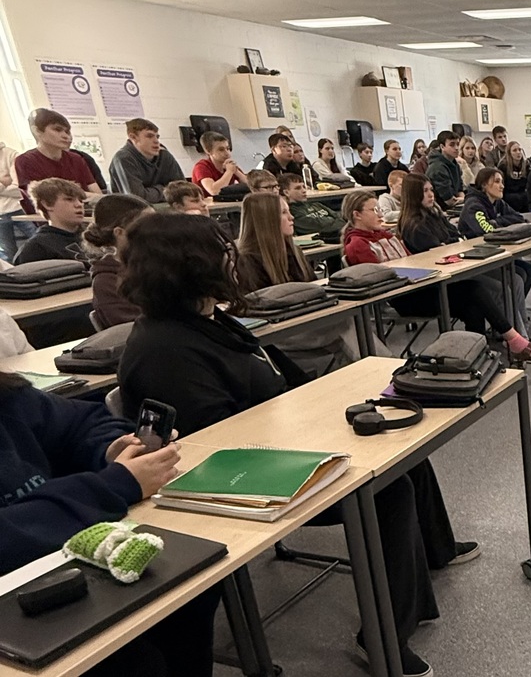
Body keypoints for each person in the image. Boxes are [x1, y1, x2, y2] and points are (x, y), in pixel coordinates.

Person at [117, 213, 475, 677]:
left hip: (278, 443)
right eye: (222, 254)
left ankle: (434, 553)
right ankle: (384, 635)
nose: (232, 262)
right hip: (237, 483)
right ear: (191, 266)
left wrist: (327, 406)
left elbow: (281, 376)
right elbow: (220, 449)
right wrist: (315, 430)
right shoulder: (166, 349)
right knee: (387, 489)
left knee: (404, 451)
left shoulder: (207, 321)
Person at [0, 369, 223, 677]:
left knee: (188, 591)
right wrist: (115, 485)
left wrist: (110, 449)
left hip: (56, 558)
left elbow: (82, 421)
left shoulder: (10, 398)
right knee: (135, 666)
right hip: (17, 590)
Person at [345, 186, 531, 363]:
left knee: (473, 302)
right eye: (374, 210)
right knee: (473, 289)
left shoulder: (388, 236)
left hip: (418, 285)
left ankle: (477, 355)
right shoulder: (357, 244)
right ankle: (514, 342)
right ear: (357, 215)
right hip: (401, 298)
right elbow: (377, 280)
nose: (380, 214)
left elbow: (410, 262)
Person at [236, 192, 372, 375]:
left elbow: (312, 290)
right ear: (266, 220)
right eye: (284, 213)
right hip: (281, 334)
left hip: (306, 320)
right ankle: (385, 374)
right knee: (348, 323)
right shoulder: (245, 261)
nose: (292, 217)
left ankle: (373, 373)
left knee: (349, 319)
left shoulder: (293, 251)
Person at [458, 168, 531, 336]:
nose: (502, 186)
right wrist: (500, 225)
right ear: (484, 185)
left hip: (495, 255)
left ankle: (510, 322)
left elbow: (519, 219)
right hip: (476, 261)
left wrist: (497, 221)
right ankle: (515, 332)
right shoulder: (474, 205)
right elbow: (485, 230)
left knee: (527, 272)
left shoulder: (497, 203)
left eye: (502, 181)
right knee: (515, 280)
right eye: (497, 181)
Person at [83, 193, 151, 329]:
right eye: (147, 226)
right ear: (119, 233)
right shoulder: (107, 281)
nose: (157, 230)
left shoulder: (161, 263)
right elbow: (132, 330)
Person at [14, 108, 101, 212]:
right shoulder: (25, 161)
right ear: (37, 131)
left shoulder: (76, 158)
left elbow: (97, 194)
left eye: (67, 131)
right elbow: (46, 199)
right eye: (57, 129)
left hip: (84, 216)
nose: (65, 136)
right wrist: (85, 196)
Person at [108, 118, 184, 204]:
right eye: (149, 136)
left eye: (157, 136)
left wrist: (149, 192)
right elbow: (137, 198)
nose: (156, 141)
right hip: (135, 214)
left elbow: (184, 190)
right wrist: (166, 190)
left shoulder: (164, 155)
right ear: (133, 137)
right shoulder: (123, 159)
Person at [14, 178, 87, 264]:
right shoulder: (36, 249)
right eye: (69, 199)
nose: (79, 205)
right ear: (47, 204)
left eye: (80, 200)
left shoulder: (94, 236)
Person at [279, 173, 344, 242]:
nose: (304, 191)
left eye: (304, 187)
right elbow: (319, 227)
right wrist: (332, 220)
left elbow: (340, 217)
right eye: (298, 188)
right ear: (286, 192)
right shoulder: (292, 212)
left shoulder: (316, 204)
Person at [0, 141, 34, 263]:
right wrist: (4, 182)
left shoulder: (11, 154)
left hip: (20, 208)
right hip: (0, 214)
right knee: (9, 253)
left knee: (38, 240)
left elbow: (20, 188)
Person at [191, 131, 246, 197]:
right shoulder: (201, 167)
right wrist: (229, 172)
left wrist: (236, 172)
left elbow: (252, 187)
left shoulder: (229, 165)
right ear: (208, 151)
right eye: (221, 150)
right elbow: (214, 191)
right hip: (207, 205)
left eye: (228, 148)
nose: (227, 153)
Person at [426, 131, 465, 208]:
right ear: (442, 147)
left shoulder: (454, 164)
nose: (456, 148)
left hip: (452, 208)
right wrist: (464, 199)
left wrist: (462, 198)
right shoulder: (437, 167)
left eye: (457, 144)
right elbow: (449, 200)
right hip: (439, 210)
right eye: (452, 145)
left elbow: (460, 189)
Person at [498, 141, 531, 213]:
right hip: (509, 195)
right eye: (514, 150)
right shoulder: (503, 166)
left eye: (520, 150)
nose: (518, 152)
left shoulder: (527, 165)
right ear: (509, 153)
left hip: (523, 194)